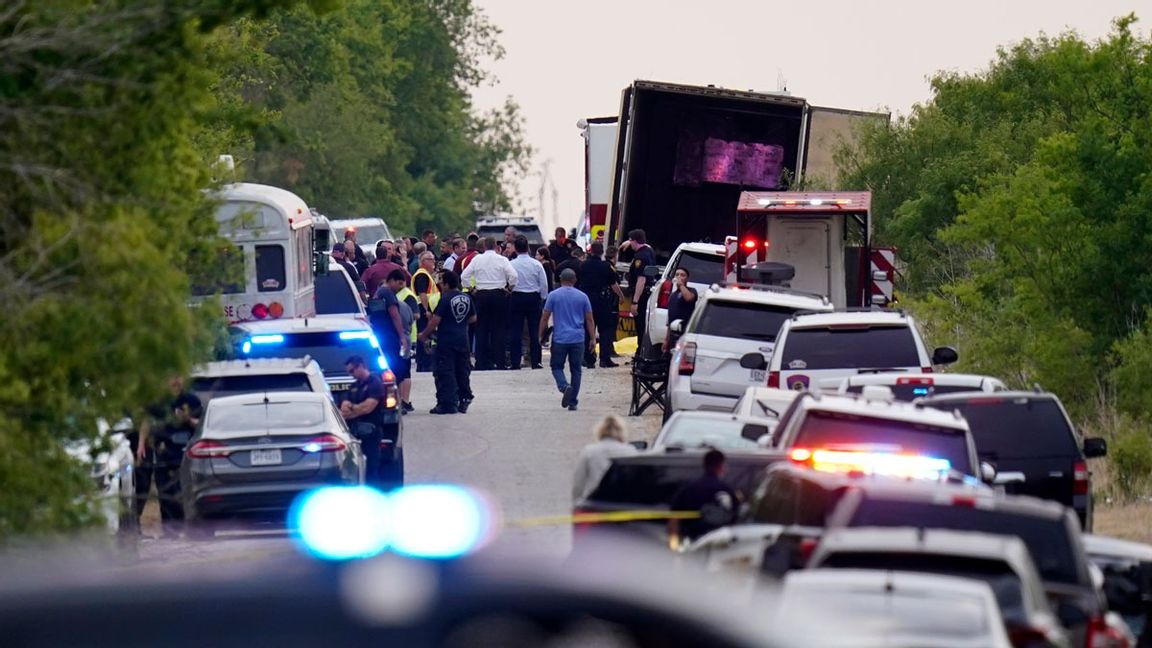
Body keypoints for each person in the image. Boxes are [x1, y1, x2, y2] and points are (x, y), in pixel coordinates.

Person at [136, 376, 202, 537]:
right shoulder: (158, 402)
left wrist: (187, 419)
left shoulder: (191, 400)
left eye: (178, 378)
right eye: (172, 378)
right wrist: (141, 444)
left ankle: (187, 528)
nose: (175, 382)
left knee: (183, 490)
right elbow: (146, 422)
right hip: (163, 451)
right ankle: (169, 531)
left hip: (186, 452)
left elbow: (200, 423)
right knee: (164, 490)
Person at [418, 270, 476, 414]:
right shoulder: (466, 298)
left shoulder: (445, 299)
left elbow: (436, 320)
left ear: (447, 284)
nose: (440, 285)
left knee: (445, 371)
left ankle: (447, 403)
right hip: (463, 340)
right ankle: (465, 397)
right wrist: (460, 324)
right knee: (462, 370)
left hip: (446, 341)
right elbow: (473, 318)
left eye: (442, 282)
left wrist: (424, 335)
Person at [539, 268, 595, 411]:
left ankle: (564, 387)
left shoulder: (553, 296)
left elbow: (545, 317)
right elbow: (589, 319)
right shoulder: (583, 297)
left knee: (556, 366)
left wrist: (541, 335)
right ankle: (573, 401)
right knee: (576, 369)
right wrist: (593, 339)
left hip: (560, 338)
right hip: (578, 338)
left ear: (560, 280)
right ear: (575, 280)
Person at [461, 236, 517, 370]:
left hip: (481, 295)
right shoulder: (502, 259)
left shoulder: (477, 259)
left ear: (484, 246)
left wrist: (472, 289)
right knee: (499, 329)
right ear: (496, 247)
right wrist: (509, 288)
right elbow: (514, 276)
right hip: (499, 295)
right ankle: (500, 362)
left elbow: (464, 276)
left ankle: (482, 362)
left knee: (481, 329)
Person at [667, 449, 740, 546]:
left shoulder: (687, 489)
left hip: (690, 543)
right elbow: (737, 519)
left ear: (704, 465)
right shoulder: (727, 490)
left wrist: (673, 545)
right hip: (720, 544)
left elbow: (674, 519)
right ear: (721, 466)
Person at [340, 356, 387, 485]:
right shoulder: (354, 386)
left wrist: (352, 409)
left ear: (360, 366)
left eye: (352, 371)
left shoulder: (375, 383)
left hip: (371, 432)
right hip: (354, 433)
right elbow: (344, 405)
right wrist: (349, 407)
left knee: (371, 468)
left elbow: (368, 407)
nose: (351, 375)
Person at [571, 415, 638, 502]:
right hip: (622, 503)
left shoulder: (589, 451)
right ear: (622, 432)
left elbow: (578, 482)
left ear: (600, 431)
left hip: (595, 502)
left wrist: (577, 503)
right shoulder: (630, 451)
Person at [580, 242, 626, 368]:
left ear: (591, 251)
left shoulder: (583, 265)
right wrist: (621, 296)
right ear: (601, 252)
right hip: (602, 301)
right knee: (606, 329)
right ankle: (604, 359)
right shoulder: (606, 266)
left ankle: (588, 358)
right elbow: (613, 284)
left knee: (588, 329)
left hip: (586, 301)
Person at [507, 236, 549, 370]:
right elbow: (544, 284)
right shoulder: (536, 264)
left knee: (516, 330)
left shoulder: (511, 264)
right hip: (533, 298)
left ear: (516, 249)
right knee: (534, 331)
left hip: (517, 298)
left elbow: (508, 281)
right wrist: (542, 298)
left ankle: (515, 362)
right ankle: (536, 361)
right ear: (528, 248)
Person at [369, 269, 410, 388]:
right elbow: (394, 315)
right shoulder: (387, 293)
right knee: (396, 368)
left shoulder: (378, 292)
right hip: (389, 335)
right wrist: (402, 336)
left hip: (379, 333)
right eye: (399, 283)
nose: (400, 287)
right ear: (391, 280)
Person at [390, 270, 419, 413]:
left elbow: (416, 315)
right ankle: (401, 401)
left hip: (407, 336)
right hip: (401, 337)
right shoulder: (396, 294)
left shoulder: (408, 295)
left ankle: (405, 401)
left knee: (405, 372)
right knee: (401, 370)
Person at [622, 229, 655, 352]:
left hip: (641, 295)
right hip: (647, 293)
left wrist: (635, 302)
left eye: (631, 242)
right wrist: (627, 242)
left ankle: (640, 352)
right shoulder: (649, 251)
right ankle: (642, 350)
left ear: (635, 241)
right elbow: (645, 245)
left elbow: (641, 280)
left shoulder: (640, 257)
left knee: (640, 324)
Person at [410, 251, 440, 373]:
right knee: (425, 335)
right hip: (424, 309)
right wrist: (428, 310)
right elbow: (423, 294)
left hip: (425, 308)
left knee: (425, 334)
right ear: (423, 262)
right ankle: (425, 363)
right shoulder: (421, 275)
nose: (433, 262)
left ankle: (423, 363)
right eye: (430, 259)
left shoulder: (426, 274)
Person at [662, 268, 698, 352]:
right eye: (677, 274)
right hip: (673, 334)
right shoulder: (673, 295)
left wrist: (681, 285)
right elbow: (670, 318)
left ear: (687, 278)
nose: (679, 277)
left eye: (682, 275)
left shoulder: (692, 291)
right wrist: (666, 340)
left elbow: (689, 298)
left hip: (685, 333)